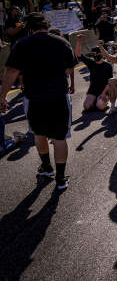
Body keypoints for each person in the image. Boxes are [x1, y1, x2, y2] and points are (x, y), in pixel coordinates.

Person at [0, 13, 78, 190]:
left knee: (39, 133)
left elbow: (11, 72)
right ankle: (60, 179)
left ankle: (46, 167)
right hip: (59, 96)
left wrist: (2, 96)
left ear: (29, 28)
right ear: (46, 25)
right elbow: (68, 68)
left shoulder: (22, 44)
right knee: (59, 137)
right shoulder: (61, 42)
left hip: (34, 97)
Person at [75, 35, 112, 111]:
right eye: (94, 54)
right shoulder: (91, 63)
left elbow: (110, 82)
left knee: (100, 106)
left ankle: (101, 102)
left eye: (97, 54)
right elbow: (78, 55)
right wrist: (78, 41)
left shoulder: (108, 66)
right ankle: (94, 100)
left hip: (104, 90)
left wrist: (103, 93)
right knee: (86, 107)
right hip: (93, 89)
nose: (95, 56)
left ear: (101, 54)